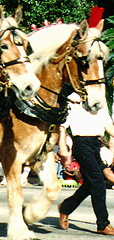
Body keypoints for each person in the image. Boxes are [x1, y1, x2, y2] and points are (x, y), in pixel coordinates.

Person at [58, 92, 114, 235]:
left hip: (96, 144)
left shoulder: (99, 98)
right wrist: (63, 147)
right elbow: (63, 126)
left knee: (91, 183)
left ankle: (65, 207)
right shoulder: (73, 98)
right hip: (81, 144)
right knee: (98, 182)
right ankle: (103, 224)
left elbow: (108, 125)